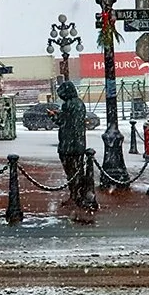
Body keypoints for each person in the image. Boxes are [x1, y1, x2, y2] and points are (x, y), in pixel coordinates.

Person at [55, 80, 96, 218]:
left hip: (68, 144)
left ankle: (75, 195)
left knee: (71, 172)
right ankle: (81, 195)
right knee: (78, 170)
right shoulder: (79, 103)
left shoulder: (68, 105)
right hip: (79, 144)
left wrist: (54, 116)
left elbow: (64, 121)